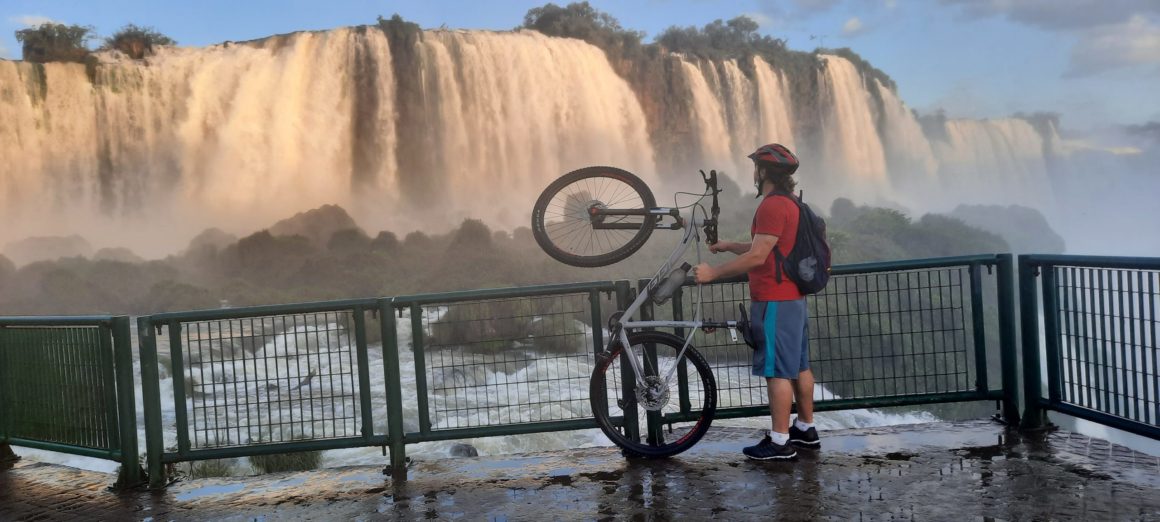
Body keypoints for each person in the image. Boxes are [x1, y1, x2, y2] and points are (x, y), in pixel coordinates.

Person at [692, 143, 820, 461]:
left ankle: (779, 443)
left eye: (755, 168)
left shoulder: (771, 206)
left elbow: (759, 255)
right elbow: (765, 246)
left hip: (775, 300)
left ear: (762, 172)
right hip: (794, 298)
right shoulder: (791, 203)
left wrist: (713, 274)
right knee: (800, 366)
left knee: (776, 371)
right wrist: (727, 246)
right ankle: (805, 429)